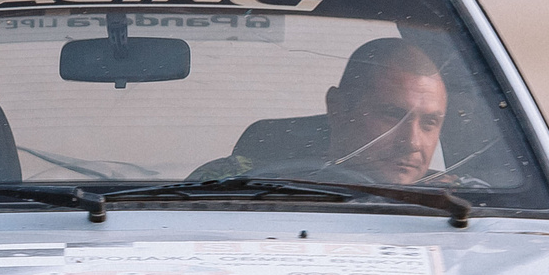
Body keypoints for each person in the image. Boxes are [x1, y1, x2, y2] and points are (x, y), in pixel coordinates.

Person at [192, 36, 455, 187]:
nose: (411, 142)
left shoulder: (468, 203)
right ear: (338, 108)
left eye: (429, 123)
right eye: (392, 115)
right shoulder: (233, 183)